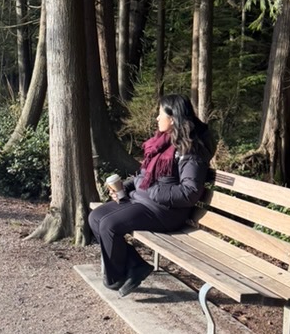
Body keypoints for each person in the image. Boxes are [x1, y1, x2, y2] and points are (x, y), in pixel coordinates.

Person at [89, 94, 214, 297]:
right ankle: (135, 265)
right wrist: (126, 186)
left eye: (160, 114)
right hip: (143, 201)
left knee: (108, 225)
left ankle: (115, 278)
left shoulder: (190, 150)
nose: (157, 118)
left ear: (172, 118)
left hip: (165, 212)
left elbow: (190, 193)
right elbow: (143, 175)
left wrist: (153, 190)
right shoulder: (162, 143)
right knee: (95, 217)